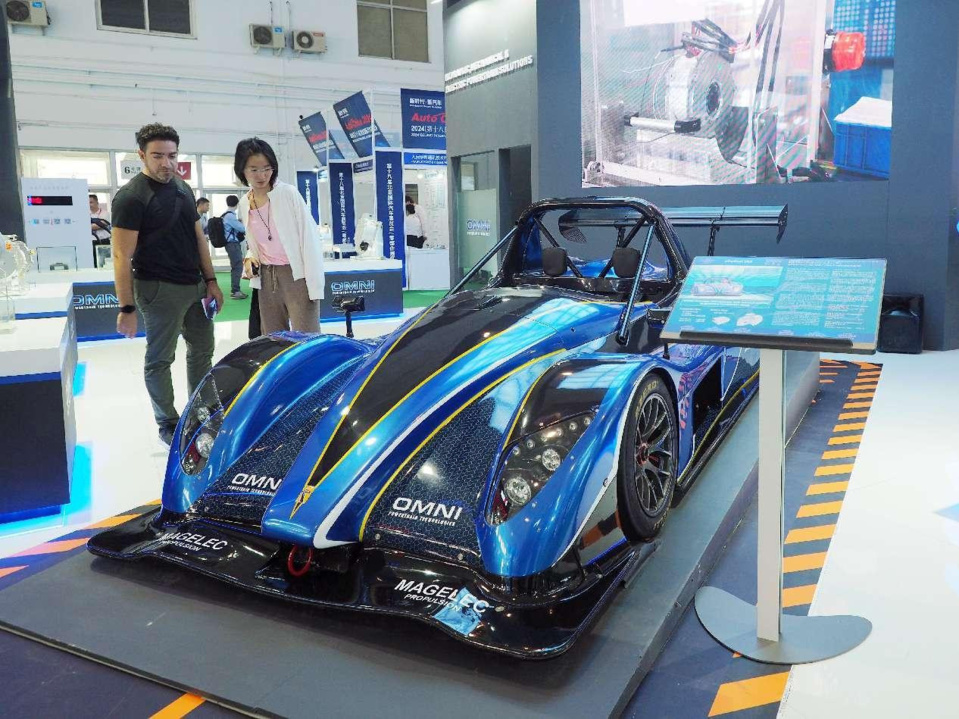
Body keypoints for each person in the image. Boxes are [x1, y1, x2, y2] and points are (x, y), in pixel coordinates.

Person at [111, 123, 224, 447]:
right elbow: (121, 256)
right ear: (142, 155)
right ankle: (168, 421)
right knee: (160, 358)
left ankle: (203, 409)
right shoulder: (132, 197)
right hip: (158, 289)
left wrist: (212, 281)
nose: (166, 163)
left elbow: (198, 237)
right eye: (158, 156)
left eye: (172, 155)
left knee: (202, 350)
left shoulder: (183, 188)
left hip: (195, 287)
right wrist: (126, 307)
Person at [235, 137, 324, 334]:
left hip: (296, 274)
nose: (262, 175)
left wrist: (314, 284)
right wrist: (251, 257)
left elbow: (309, 238)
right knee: (273, 337)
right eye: (254, 169)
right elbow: (257, 241)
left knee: (306, 336)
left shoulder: (288, 194)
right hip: (267, 277)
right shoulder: (245, 202)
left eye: (267, 168)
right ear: (242, 170)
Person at [222, 195, 248, 300]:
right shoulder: (230, 216)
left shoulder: (226, 215)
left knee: (235, 266)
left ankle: (235, 289)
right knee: (237, 266)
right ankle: (235, 291)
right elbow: (242, 229)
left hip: (230, 244)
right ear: (237, 204)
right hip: (232, 244)